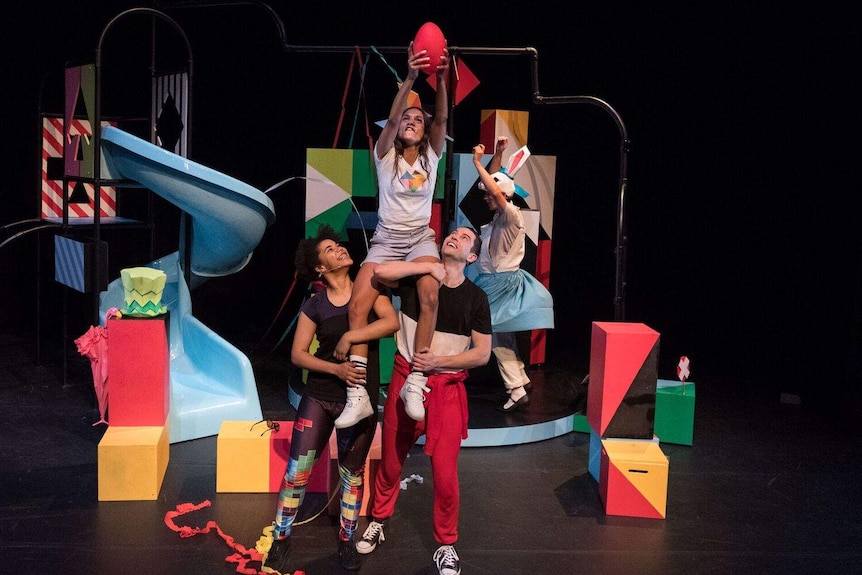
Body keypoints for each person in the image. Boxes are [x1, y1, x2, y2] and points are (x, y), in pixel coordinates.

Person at [262, 225, 399, 575]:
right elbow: (297, 354)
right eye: (329, 249)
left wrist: (354, 332)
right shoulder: (315, 304)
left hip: (360, 402)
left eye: (338, 244)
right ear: (320, 268)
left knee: (352, 475)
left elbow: (390, 323)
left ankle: (346, 541)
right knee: (296, 474)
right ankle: (280, 539)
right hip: (320, 398)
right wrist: (335, 370)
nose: (339, 249)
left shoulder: (370, 291)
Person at [355, 226, 492, 575]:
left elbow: (481, 355)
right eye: (453, 233)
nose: (454, 238)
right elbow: (381, 271)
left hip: (445, 390)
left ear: (472, 257)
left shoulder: (476, 298)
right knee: (390, 463)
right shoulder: (418, 280)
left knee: (445, 477)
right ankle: (379, 520)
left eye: (465, 239)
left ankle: (446, 545)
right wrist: (423, 268)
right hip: (405, 379)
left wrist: (438, 362)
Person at [339, 40, 451, 427]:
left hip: (420, 238)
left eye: (416, 120)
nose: (410, 121)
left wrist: (443, 80)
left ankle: (416, 379)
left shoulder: (430, 158)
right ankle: (358, 394)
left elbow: (440, 122)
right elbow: (391, 118)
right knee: (358, 303)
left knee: (429, 294)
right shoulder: (384, 157)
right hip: (387, 239)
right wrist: (410, 78)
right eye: (406, 117)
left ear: (423, 134)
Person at [469, 137, 555, 412]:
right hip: (491, 282)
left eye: (490, 195)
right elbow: (497, 181)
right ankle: (520, 377)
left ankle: (516, 388)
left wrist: (476, 163)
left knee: (491, 333)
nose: (486, 198)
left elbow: (495, 189)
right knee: (501, 333)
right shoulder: (499, 218)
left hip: (500, 284)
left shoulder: (512, 215)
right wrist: (497, 155)